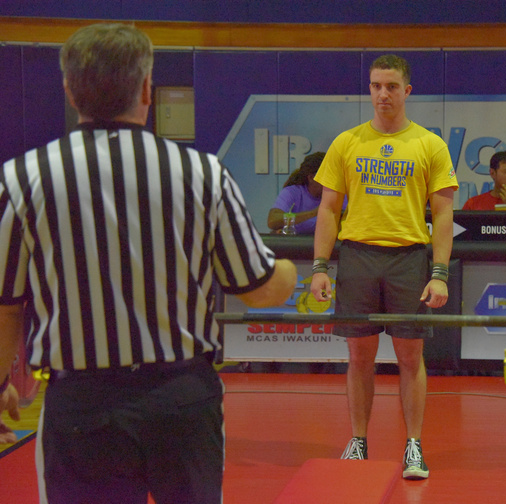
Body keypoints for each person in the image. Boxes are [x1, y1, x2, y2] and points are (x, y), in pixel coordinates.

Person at [0, 23, 297, 504]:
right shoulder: (203, 173)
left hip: (80, 406)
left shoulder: (21, 179)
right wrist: (293, 270)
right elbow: (259, 287)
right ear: (145, 90)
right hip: (181, 398)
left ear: (69, 90)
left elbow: (6, 306)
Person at [310, 54, 458, 480]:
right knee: (359, 356)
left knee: (411, 356)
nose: (383, 94)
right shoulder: (347, 142)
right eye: (376, 85)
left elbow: (443, 214)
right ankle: (358, 441)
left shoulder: (429, 145)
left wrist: (440, 273)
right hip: (358, 256)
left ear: (406, 91)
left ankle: (414, 446)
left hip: (408, 258)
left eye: (391, 86)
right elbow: (328, 209)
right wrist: (320, 267)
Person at [268, 151, 326, 234]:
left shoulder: (338, 195)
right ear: (311, 178)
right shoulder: (292, 192)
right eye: (328, 176)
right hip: (294, 241)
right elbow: (272, 220)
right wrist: (314, 213)